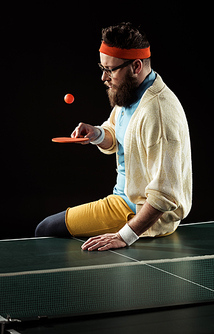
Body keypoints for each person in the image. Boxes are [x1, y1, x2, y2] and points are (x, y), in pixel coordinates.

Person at [35, 22, 192, 251]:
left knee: (45, 230)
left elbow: (165, 195)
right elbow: (115, 133)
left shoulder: (157, 112)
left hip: (137, 212)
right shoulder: (131, 93)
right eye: (102, 67)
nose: (103, 77)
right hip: (122, 199)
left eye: (110, 69)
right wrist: (96, 134)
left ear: (136, 66)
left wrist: (125, 236)